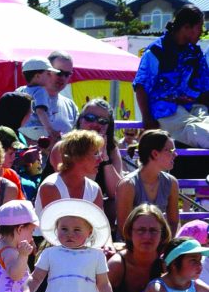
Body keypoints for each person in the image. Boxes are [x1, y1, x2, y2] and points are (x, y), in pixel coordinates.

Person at [134, 4, 209, 148]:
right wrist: (147, 119)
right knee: (200, 133)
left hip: (195, 108)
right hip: (167, 111)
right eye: (199, 28)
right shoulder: (156, 52)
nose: (201, 32)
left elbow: (205, 87)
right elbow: (141, 86)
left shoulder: (195, 53)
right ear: (186, 27)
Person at [44, 99, 124, 228]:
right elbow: (76, 188)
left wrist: (105, 158)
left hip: (92, 207)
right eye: (90, 118)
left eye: (103, 121)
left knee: (114, 202)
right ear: (80, 120)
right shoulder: (63, 146)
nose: (95, 124)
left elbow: (116, 191)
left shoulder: (111, 149)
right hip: (62, 206)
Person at [106, 204, 172, 292]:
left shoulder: (166, 266)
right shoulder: (117, 265)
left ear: (163, 234)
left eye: (153, 230)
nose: (147, 236)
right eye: (141, 230)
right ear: (130, 233)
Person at [116, 130, 180, 234]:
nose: (175, 154)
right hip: (131, 246)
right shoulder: (128, 185)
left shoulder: (172, 182)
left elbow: (173, 223)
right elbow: (124, 229)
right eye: (171, 150)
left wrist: (164, 246)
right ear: (155, 154)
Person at [35, 130, 105, 218]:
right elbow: (53, 228)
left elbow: (97, 227)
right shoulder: (51, 187)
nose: (100, 159)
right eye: (95, 154)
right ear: (78, 156)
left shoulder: (95, 189)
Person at [17, 57, 62, 146]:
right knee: (57, 144)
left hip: (22, 129)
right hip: (38, 129)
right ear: (37, 76)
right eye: (48, 73)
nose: (51, 76)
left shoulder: (20, 90)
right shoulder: (40, 90)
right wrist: (50, 130)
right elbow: (40, 111)